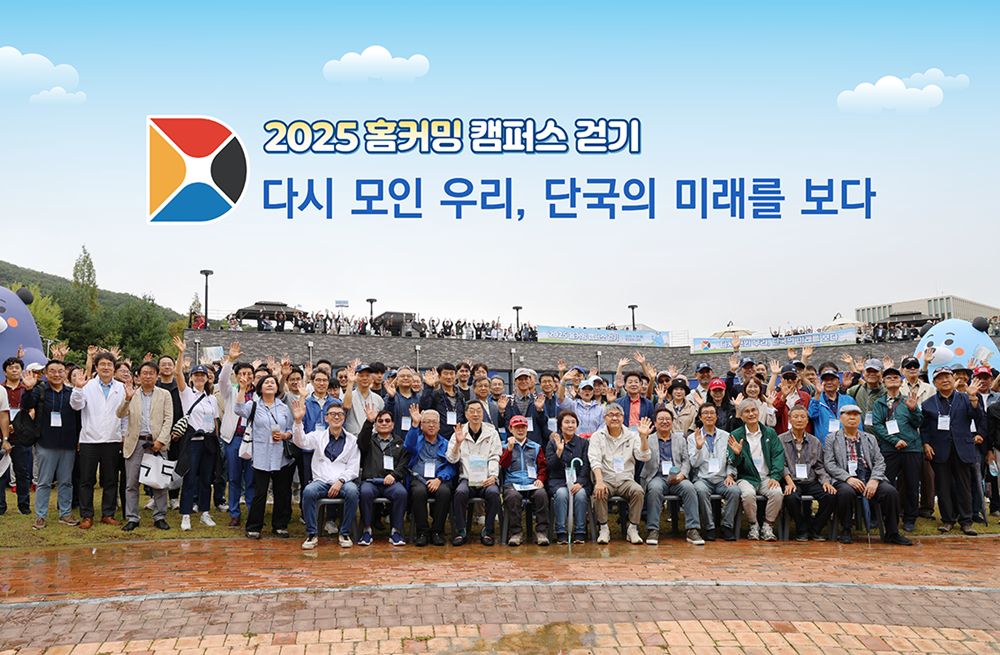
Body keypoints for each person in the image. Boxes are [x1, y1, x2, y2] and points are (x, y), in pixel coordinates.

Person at [824, 404, 911, 545]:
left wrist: (875, 479)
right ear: (841, 418)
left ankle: (892, 532)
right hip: (845, 477)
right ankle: (846, 529)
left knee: (890, 492)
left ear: (860, 418)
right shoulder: (832, 438)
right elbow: (829, 464)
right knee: (846, 492)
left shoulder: (869, 438)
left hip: (869, 475)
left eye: (856, 415)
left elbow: (880, 462)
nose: (852, 418)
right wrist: (847, 478)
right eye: (848, 414)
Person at [920, 367, 985, 535]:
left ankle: (966, 521)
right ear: (934, 383)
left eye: (947, 377)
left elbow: (977, 416)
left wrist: (973, 398)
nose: (944, 380)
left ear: (953, 379)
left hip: (962, 448)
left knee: (964, 486)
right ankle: (947, 520)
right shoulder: (928, 404)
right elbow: (925, 427)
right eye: (940, 378)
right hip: (939, 449)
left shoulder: (966, 398)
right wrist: (925, 444)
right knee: (943, 487)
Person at [291, 398, 360, 549]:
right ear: (326, 418)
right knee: (309, 491)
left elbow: (353, 467)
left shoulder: (352, 440)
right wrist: (298, 421)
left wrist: (341, 481)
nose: (336, 417)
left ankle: (345, 532)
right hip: (321, 481)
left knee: (352, 491)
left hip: (343, 482)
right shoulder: (317, 436)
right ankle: (312, 534)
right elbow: (300, 442)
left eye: (340, 414)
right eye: (333, 414)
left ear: (344, 418)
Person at [70, 351, 126, 529]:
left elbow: (125, 414)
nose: (106, 367)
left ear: (114, 368)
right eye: (102, 364)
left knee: (110, 480)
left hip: (112, 440)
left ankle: (108, 514)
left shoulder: (121, 387)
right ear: (96, 367)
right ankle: (87, 515)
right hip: (90, 440)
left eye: (110, 364)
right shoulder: (87, 386)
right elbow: (76, 405)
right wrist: (78, 388)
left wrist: (123, 434)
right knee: (87, 480)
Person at [236, 374, 295, 539]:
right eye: (266, 382)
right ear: (260, 387)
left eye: (273, 383)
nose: (270, 384)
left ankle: (280, 526)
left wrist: (285, 435)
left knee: (281, 492)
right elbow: (238, 409)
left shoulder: (283, 407)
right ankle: (254, 527)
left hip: (281, 456)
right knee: (260, 492)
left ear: (277, 388)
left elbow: (291, 428)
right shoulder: (253, 405)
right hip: (261, 455)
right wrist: (242, 389)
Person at [23, 360, 81, 529]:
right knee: (44, 481)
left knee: (66, 481)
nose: (57, 374)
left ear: (66, 374)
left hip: (68, 443)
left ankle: (65, 513)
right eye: (53, 371)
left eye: (61, 371)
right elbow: (27, 405)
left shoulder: (72, 393)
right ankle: (41, 516)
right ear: (46, 374)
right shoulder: (40, 390)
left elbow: (79, 418)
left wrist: (79, 439)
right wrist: (28, 389)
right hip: (46, 442)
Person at [116, 361, 173, 531]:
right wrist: (127, 398)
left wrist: (160, 441)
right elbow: (120, 414)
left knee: (159, 483)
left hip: (157, 444)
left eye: (151, 373)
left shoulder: (164, 394)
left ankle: (160, 516)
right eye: (144, 373)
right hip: (135, 443)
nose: (148, 376)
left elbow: (168, 419)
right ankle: (132, 518)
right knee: (131, 483)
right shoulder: (131, 393)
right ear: (138, 376)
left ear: (157, 376)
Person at [588, 403, 652, 544]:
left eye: (618, 415)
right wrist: (599, 481)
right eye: (611, 415)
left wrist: (643, 437)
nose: (614, 418)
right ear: (605, 418)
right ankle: (604, 528)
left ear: (623, 417)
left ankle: (633, 528)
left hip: (625, 481)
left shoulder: (632, 435)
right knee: (599, 492)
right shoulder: (597, 436)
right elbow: (595, 460)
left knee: (638, 491)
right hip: (606, 480)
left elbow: (644, 457)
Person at [639, 407, 704, 545]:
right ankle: (653, 529)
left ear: (672, 422)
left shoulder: (680, 440)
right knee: (655, 489)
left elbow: (686, 460)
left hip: (677, 477)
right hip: (657, 477)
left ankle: (692, 529)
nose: (665, 422)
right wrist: (643, 438)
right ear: (655, 422)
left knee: (689, 488)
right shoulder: (648, 439)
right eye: (661, 419)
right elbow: (643, 456)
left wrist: (682, 475)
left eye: (668, 419)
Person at [871, 367, 923, 532]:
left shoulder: (909, 400)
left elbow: (918, 423)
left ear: (901, 382)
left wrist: (913, 410)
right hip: (889, 449)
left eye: (896, 377)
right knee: (884, 483)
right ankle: (879, 515)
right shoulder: (879, 403)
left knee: (912, 485)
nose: (892, 379)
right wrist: (894, 441)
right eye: (888, 377)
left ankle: (910, 518)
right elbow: (877, 425)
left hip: (912, 448)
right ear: (883, 382)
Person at [448, 399, 502, 546]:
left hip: (486, 478)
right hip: (467, 478)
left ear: (483, 414)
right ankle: (461, 531)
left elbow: (495, 456)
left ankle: (487, 530)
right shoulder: (459, 432)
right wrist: (458, 443)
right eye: (472, 411)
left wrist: (493, 476)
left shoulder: (492, 433)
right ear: (466, 414)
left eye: (479, 411)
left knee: (494, 493)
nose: (475, 414)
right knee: (460, 493)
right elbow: (452, 459)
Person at [728, 399, 784, 541]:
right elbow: (732, 462)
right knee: (747, 494)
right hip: (746, 478)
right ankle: (753, 525)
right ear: (741, 416)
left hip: (766, 477)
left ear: (759, 412)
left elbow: (778, 456)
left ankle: (767, 526)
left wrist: (775, 477)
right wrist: (737, 454)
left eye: (754, 410)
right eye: (747, 411)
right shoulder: (735, 435)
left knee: (777, 492)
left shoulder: (770, 433)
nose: (751, 414)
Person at [779, 405, 836, 541]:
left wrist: (826, 482)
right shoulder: (781, 439)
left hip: (810, 480)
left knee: (830, 495)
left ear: (807, 420)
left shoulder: (814, 441)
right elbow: (781, 464)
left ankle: (815, 527)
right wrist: (789, 482)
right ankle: (802, 528)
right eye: (796, 417)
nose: (799, 420)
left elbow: (819, 466)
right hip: (791, 480)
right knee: (791, 497)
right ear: (790, 420)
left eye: (803, 417)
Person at [688, 403, 741, 541]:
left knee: (734, 490)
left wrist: (730, 475)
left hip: (722, 478)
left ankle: (726, 527)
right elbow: (694, 464)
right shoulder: (693, 437)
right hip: (702, 479)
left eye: (712, 413)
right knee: (700, 490)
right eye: (705, 413)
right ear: (700, 417)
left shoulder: (726, 436)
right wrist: (699, 448)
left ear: (717, 417)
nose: (709, 416)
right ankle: (709, 527)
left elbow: (730, 460)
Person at [404, 405, 455, 546]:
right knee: (418, 492)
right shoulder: (416, 441)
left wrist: (439, 479)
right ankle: (422, 533)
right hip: (418, 479)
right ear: (422, 426)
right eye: (427, 422)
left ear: (439, 426)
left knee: (445, 492)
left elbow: (451, 465)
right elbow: (408, 445)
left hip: (440, 480)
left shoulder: (446, 443)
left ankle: (437, 532)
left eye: (434, 422)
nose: (431, 425)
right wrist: (414, 424)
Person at [218, 344, 255, 527]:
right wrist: (230, 361)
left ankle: (252, 512)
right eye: (242, 374)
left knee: (251, 478)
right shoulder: (231, 392)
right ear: (237, 375)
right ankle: (234, 513)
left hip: (253, 441)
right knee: (233, 477)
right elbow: (222, 380)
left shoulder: (258, 395)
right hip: (234, 439)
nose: (246, 377)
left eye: (249, 374)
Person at [499, 414, 549, 546]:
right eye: (517, 427)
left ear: (527, 429)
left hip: (532, 483)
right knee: (512, 496)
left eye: (523, 427)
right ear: (511, 429)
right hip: (512, 483)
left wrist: (540, 479)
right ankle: (516, 532)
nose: (520, 430)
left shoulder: (536, 447)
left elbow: (543, 467)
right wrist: (509, 450)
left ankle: (541, 531)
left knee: (541, 494)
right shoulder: (505, 447)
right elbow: (503, 465)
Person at [545, 410, 591, 545]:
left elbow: (586, 465)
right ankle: (561, 532)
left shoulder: (583, 443)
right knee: (561, 494)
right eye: (566, 422)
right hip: (558, 481)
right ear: (560, 425)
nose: (570, 425)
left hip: (579, 481)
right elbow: (550, 466)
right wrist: (559, 452)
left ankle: (580, 532)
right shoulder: (552, 443)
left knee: (581, 494)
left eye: (573, 422)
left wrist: (580, 483)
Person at [900, 355, 937, 519]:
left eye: (915, 366)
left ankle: (926, 508)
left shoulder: (930, 389)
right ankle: (902, 506)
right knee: (904, 475)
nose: (912, 369)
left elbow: (934, 415)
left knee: (928, 474)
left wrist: (928, 440)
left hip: (926, 436)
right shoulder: (898, 388)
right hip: (905, 437)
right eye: (908, 366)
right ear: (903, 370)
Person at [2, 356, 33, 515]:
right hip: (2, 437)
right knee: (0, 473)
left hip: (21, 438)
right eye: (10, 367)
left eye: (17, 367)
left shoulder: (27, 388)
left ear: (22, 370)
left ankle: (24, 505)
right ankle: (1, 506)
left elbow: (32, 411)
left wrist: (18, 426)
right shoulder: (1, 389)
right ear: (4, 371)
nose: (14, 370)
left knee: (22, 472)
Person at [502, 368, 549, 447]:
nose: (523, 381)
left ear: (530, 380)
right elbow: (507, 424)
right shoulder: (510, 402)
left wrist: (539, 410)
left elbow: (543, 423)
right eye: (520, 379)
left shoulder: (538, 400)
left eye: (526, 379)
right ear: (515, 382)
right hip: (515, 445)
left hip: (534, 445)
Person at [419, 364, 466, 441]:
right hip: (439, 440)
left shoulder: (461, 396)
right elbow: (423, 408)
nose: (449, 377)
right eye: (445, 373)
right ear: (439, 376)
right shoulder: (435, 394)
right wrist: (428, 387)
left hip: (458, 438)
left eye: (452, 374)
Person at [807, 366, 852, 446]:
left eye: (832, 379)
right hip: (824, 444)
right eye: (826, 380)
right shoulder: (816, 399)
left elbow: (857, 422)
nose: (829, 382)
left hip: (846, 443)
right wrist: (818, 394)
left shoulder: (848, 400)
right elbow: (812, 415)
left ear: (838, 383)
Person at [847, 359, 887, 432]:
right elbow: (839, 399)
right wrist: (843, 388)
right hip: (859, 436)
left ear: (881, 373)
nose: (872, 374)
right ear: (863, 373)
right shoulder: (855, 390)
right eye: (869, 371)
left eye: (875, 371)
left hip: (881, 437)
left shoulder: (887, 393)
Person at [772, 363, 812, 435]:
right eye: (786, 377)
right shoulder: (775, 396)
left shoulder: (806, 396)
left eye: (793, 377)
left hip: (802, 435)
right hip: (783, 436)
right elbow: (775, 415)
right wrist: (783, 398)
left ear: (797, 378)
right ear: (781, 378)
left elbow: (812, 416)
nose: (790, 380)